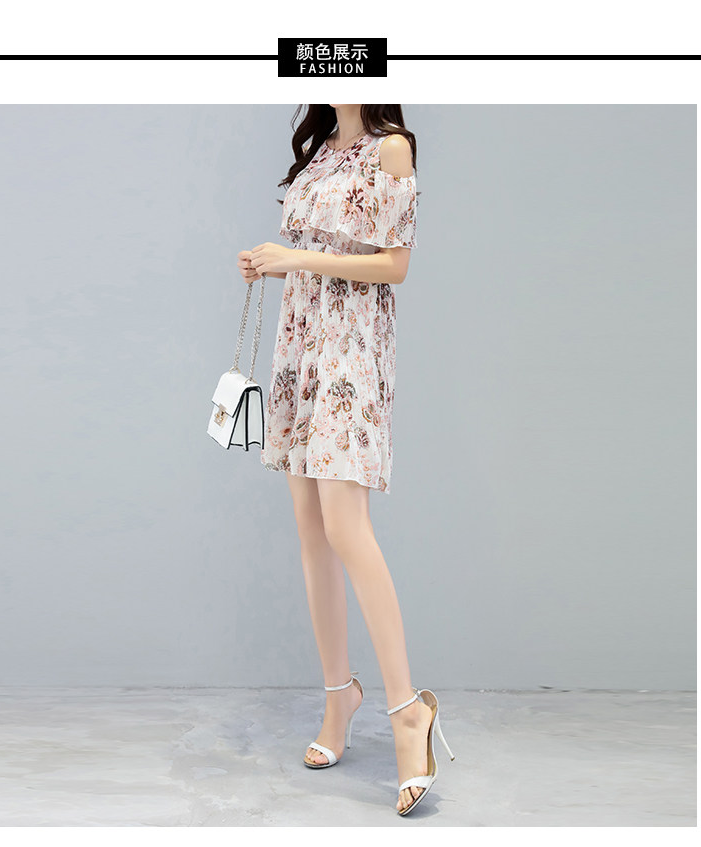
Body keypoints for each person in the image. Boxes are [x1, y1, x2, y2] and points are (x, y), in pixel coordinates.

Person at [236, 104, 454, 816]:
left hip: (351, 349)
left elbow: (394, 264)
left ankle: (408, 711)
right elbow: (316, 249)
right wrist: (272, 262)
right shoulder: (322, 149)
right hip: (301, 344)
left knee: (346, 528)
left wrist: (293, 257)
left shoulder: (391, 149)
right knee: (311, 532)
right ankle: (339, 697)